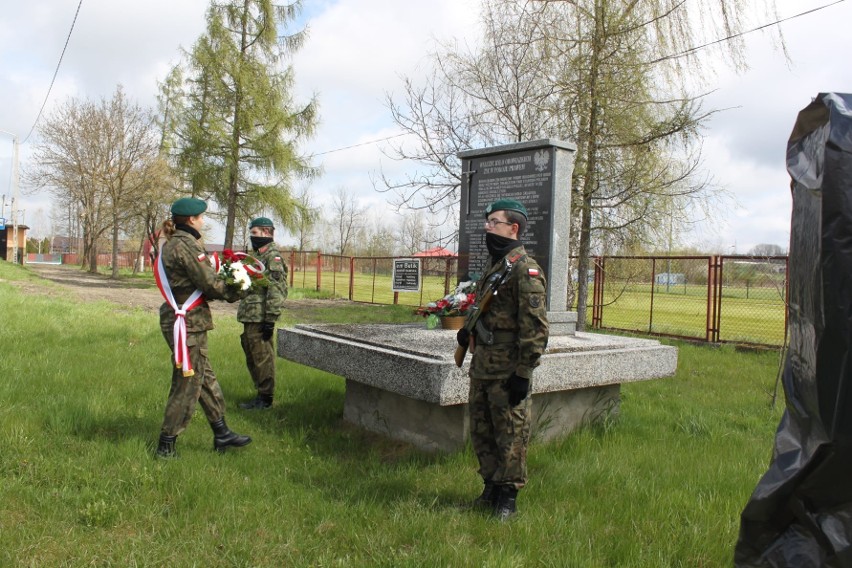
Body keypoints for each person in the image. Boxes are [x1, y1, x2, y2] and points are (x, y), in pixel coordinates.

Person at [456, 198, 549, 521]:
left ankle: (507, 499)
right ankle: (490, 490)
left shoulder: (525, 269)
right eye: (487, 222)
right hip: (483, 367)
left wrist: (523, 372)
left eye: (493, 222)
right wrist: (468, 332)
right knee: (483, 431)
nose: (487, 227)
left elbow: (535, 328)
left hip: (508, 369)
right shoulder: (497, 267)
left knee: (510, 433)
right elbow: (487, 311)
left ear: (513, 228)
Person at [155, 197, 252, 458]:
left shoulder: (178, 242)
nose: (203, 221)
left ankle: (221, 433)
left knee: (204, 378)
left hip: (186, 320)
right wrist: (241, 290)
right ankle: (166, 443)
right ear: (191, 220)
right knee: (187, 382)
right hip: (187, 322)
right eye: (200, 217)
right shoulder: (185, 245)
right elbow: (209, 283)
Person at [237, 217, 289, 410]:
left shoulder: (272, 257)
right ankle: (260, 393)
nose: (253, 237)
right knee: (252, 355)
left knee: (262, 356)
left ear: (267, 233)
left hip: (260, 316)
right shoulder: (256, 256)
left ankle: (265, 399)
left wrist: (270, 320)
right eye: (252, 233)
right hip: (250, 314)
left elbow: (276, 290)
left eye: (255, 233)